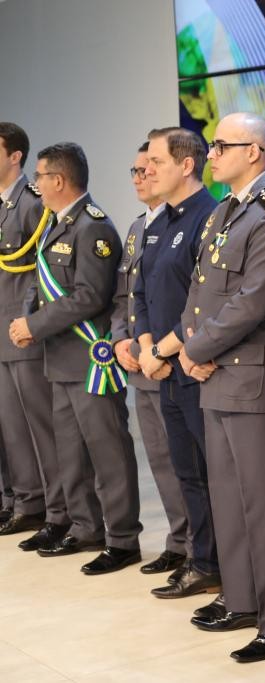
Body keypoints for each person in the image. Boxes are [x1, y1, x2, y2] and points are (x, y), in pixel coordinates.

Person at [179, 112, 265, 663]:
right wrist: (191, 342)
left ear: (253, 152)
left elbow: (254, 300)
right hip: (215, 372)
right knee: (229, 497)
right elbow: (199, 289)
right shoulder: (223, 212)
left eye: (220, 146)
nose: (210, 155)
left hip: (253, 375)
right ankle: (242, 597)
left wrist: (197, 349)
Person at [9, 142, 142, 574]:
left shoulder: (93, 228)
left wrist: (36, 325)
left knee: (107, 452)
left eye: (40, 176)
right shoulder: (56, 223)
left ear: (59, 180)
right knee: (70, 452)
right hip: (60, 359)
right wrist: (26, 320)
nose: (36, 184)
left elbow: (90, 296)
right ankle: (85, 527)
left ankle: (122, 538)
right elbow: (38, 282)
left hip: (89, 359)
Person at [135, 126, 221, 598]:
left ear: (186, 165)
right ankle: (202, 560)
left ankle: (221, 564)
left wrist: (161, 350)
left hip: (194, 367)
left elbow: (202, 304)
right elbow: (142, 291)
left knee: (211, 474)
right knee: (187, 473)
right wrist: (148, 345)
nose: (147, 170)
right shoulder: (160, 222)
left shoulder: (208, 218)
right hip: (166, 367)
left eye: (156, 162)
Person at [109, 142, 190, 577]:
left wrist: (155, 349)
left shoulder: (188, 223)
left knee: (185, 462)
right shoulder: (137, 228)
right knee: (159, 459)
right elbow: (125, 295)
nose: (141, 178)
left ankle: (197, 545)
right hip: (139, 362)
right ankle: (179, 540)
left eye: (149, 168)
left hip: (170, 362)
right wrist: (122, 340)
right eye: (136, 171)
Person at [0, 122, 66, 548]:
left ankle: (54, 507)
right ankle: (22, 499)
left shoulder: (31, 202)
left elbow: (42, 272)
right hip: (1, 333)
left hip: (20, 331)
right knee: (10, 426)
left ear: (15, 156)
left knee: (37, 425)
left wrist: (30, 323)